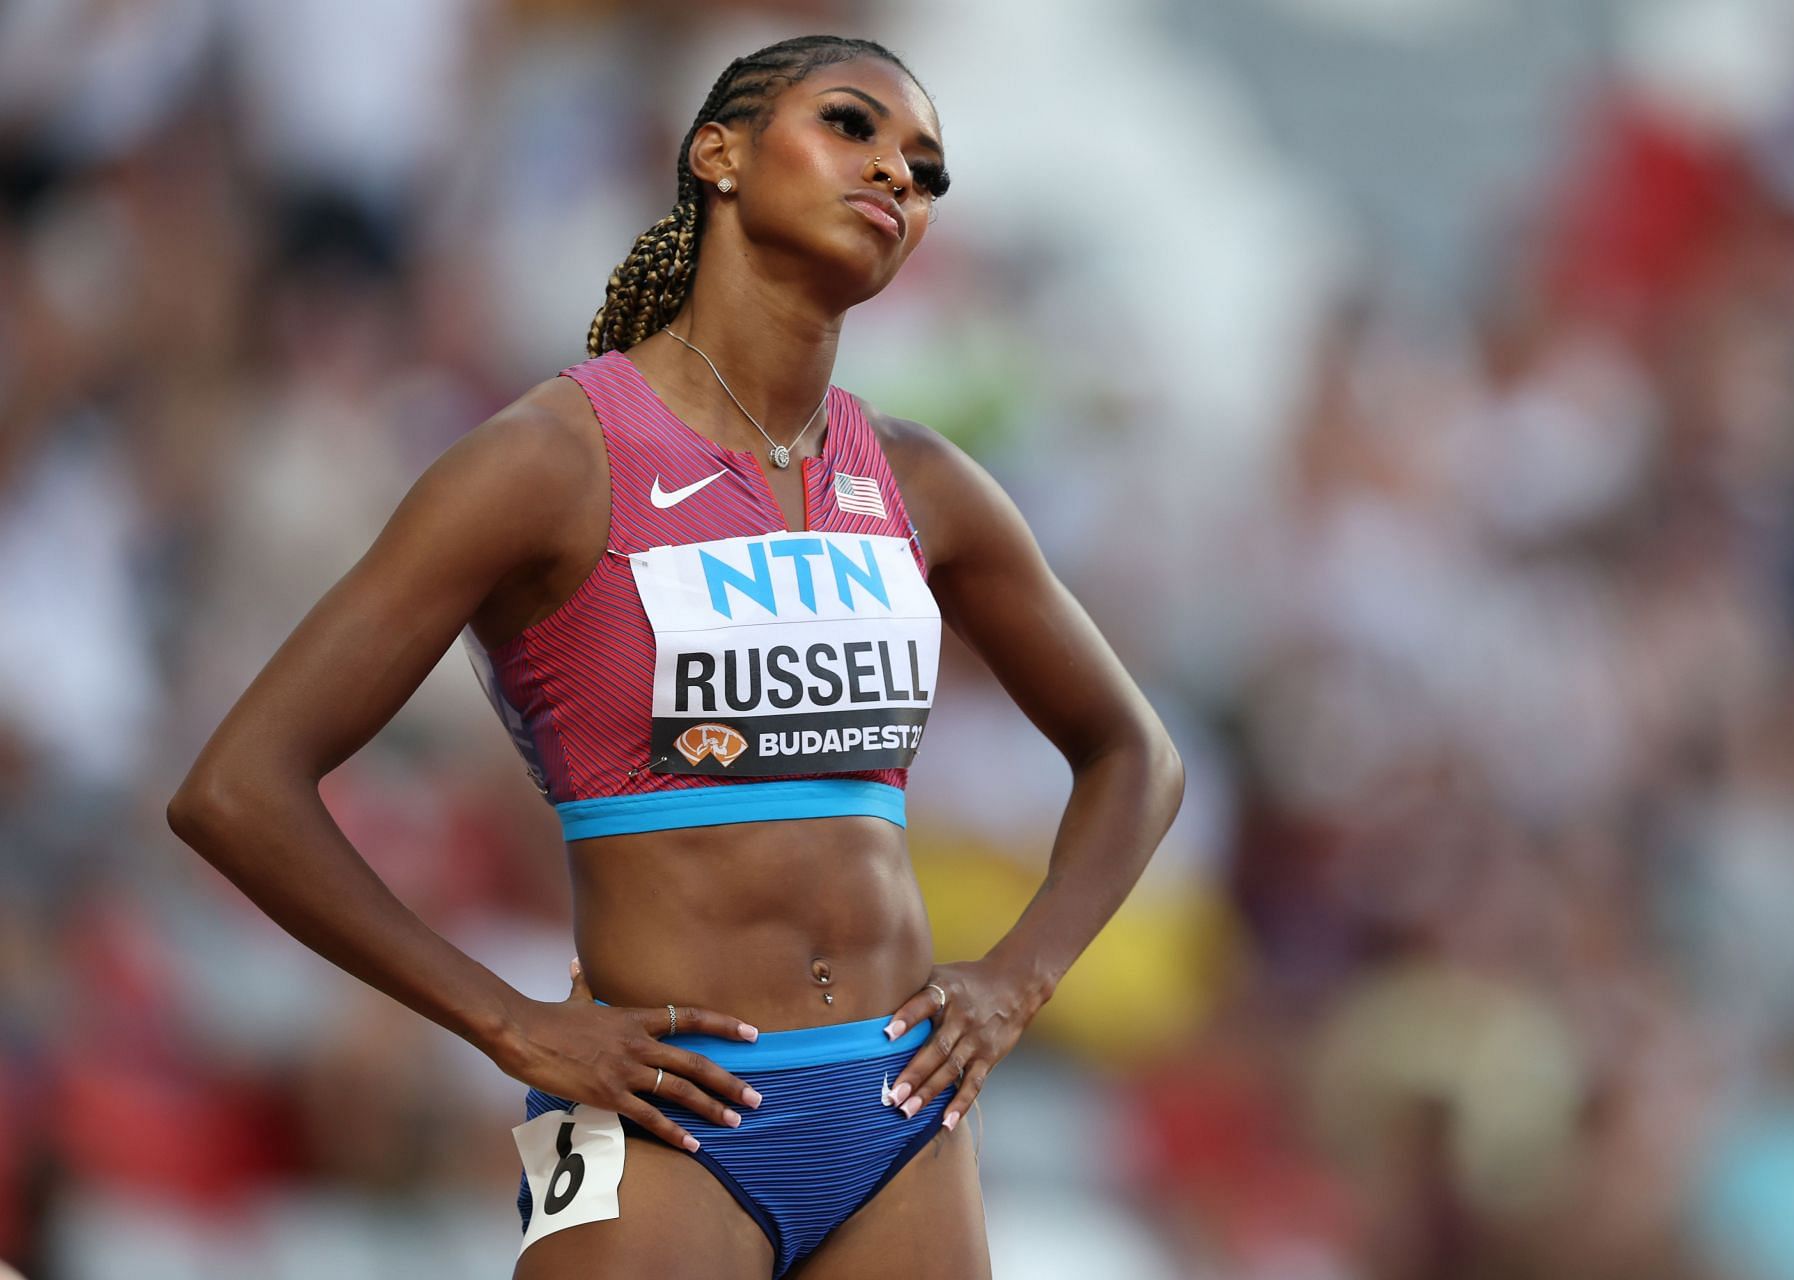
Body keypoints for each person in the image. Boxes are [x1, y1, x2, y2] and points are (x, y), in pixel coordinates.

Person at [167, 33, 1184, 1280]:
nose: (897, 178)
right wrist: (507, 1021)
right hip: (666, 1118)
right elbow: (236, 787)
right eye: (853, 127)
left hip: (900, 1115)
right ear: (719, 155)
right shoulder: (548, 460)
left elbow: (1137, 751)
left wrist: (1017, 981)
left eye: (924, 168)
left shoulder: (924, 483)